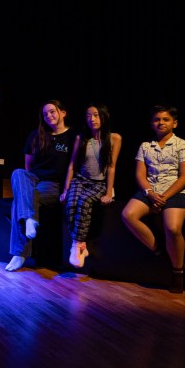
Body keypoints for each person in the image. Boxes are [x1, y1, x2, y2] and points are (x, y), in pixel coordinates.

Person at [120, 105, 185, 293]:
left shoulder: (184, 145)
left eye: (165, 119)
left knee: (172, 227)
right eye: (156, 119)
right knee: (128, 214)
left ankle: (178, 272)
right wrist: (150, 193)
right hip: (151, 190)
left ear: (174, 123)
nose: (160, 122)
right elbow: (140, 175)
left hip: (176, 191)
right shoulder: (145, 146)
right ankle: (159, 249)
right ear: (151, 124)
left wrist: (163, 197)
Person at [4, 100, 76, 272]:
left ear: (63, 113)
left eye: (52, 112)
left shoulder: (72, 137)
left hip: (53, 184)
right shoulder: (36, 135)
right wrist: (27, 188)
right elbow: (28, 165)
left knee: (19, 203)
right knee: (18, 172)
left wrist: (66, 189)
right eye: (45, 114)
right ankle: (29, 219)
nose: (48, 116)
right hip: (34, 178)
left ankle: (19, 253)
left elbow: (73, 166)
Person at [64, 104, 122, 268]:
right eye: (89, 116)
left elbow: (111, 166)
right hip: (80, 180)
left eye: (96, 115)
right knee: (71, 203)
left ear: (104, 116)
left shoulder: (114, 138)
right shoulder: (81, 138)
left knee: (84, 202)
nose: (92, 119)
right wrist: (66, 190)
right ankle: (81, 245)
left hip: (99, 183)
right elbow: (72, 165)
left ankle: (77, 244)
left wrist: (109, 192)